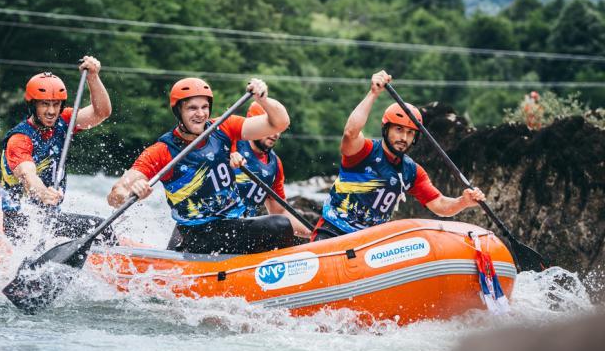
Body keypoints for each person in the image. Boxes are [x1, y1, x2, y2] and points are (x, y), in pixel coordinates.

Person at [107, 77, 294, 255]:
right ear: (178, 111)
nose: (200, 114)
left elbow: (279, 123)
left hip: (232, 224)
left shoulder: (224, 127)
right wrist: (132, 192)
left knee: (282, 225)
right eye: (192, 108)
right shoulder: (162, 151)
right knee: (280, 225)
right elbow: (116, 193)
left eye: (205, 107)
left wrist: (264, 100)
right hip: (197, 235)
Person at [311, 70, 486, 241]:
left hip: (368, 242)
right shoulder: (364, 151)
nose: (404, 138)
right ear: (386, 129)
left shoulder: (411, 171)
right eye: (399, 129)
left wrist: (463, 201)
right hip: (333, 230)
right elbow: (350, 133)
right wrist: (373, 93)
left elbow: (439, 204)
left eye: (410, 133)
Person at [0, 56, 113, 244]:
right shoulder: (19, 139)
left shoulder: (64, 121)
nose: (51, 111)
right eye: (45, 104)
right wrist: (43, 193)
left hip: (50, 219)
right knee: (98, 228)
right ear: (33, 105)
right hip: (19, 221)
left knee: (102, 229)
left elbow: (101, 113)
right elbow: (28, 176)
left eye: (56, 104)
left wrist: (93, 77)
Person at [229, 102, 311, 239]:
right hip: (211, 223)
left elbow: (279, 212)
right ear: (255, 125)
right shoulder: (230, 142)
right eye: (270, 127)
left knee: (281, 225)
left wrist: (311, 235)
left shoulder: (275, 164)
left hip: (241, 232)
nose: (275, 134)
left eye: (279, 129)